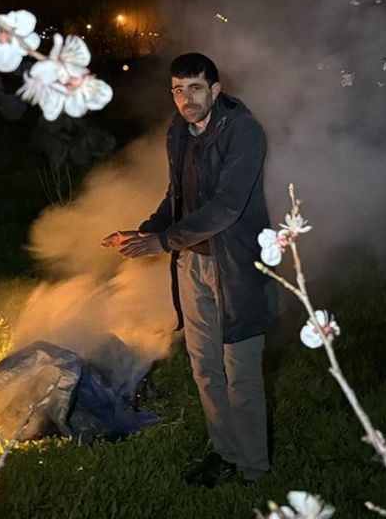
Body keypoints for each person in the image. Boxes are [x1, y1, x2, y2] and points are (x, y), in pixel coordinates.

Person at [101, 52, 277, 487]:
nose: (185, 99)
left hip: (235, 265)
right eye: (177, 90)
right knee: (205, 368)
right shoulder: (179, 131)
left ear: (214, 90)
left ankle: (253, 471)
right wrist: (143, 231)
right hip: (192, 264)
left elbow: (227, 207)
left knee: (241, 371)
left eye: (195, 88)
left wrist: (160, 242)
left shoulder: (245, 132)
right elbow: (175, 196)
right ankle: (225, 453)